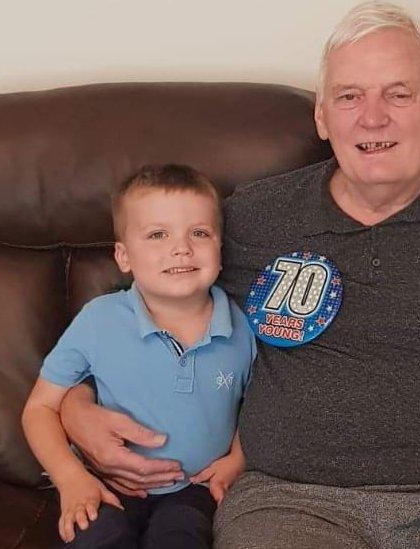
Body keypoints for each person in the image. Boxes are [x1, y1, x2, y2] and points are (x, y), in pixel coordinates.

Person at [60, 3, 420, 548]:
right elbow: (145, 314)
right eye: (349, 96)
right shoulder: (255, 217)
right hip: (285, 499)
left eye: (399, 94)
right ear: (322, 116)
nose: (372, 118)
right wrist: (77, 410)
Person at [21, 164, 255, 548]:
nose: (181, 247)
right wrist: (71, 478)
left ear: (220, 250)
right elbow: (39, 409)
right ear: (124, 256)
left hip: (194, 489)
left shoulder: (242, 328)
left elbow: (261, 405)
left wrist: (237, 460)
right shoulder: (99, 320)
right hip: (107, 484)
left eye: (199, 232)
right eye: (158, 234)